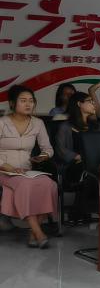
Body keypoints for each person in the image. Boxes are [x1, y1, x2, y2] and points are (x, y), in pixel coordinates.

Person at [0, 86, 59, 248]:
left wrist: (43, 156)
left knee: (49, 184)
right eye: (23, 101)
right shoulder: (2, 123)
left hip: (26, 170)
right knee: (25, 186)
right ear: (12, 103)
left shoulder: (38, 123)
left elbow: (48, 149)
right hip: (4, 170)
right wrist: (7, 167)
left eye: (31, 101)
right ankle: (38, 233)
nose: (28, 104)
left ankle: (33, 234)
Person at [53, 91, 100, 226]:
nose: (93, 104)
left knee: (99, 173)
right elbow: (61, 150)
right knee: (89, 173)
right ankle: (82, 210)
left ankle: (81, 210)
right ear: (79, 104)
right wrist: (77, 156)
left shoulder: (95, 126)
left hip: (92, 165)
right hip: (72, 167)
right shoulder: (66, 126)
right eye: (90, 101)